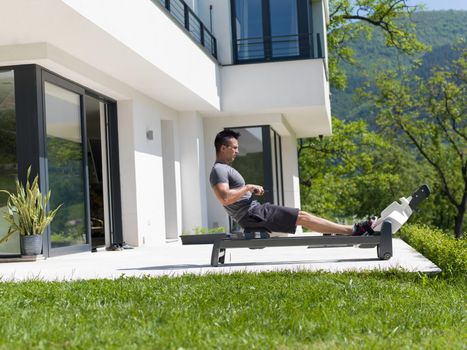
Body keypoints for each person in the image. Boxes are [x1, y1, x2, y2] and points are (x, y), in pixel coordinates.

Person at [209, 129, 375, 236]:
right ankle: (354, 230)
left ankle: (349, 229)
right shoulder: (219, 170)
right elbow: (224, 198)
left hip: (254, 212)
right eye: (234, 147)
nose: (237, 151)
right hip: (253, 214)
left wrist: (250, 190)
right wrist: (248, 187)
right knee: (301, 216)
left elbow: (232, 195)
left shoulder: (224, 169)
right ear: (223, 148)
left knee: (302, 215)